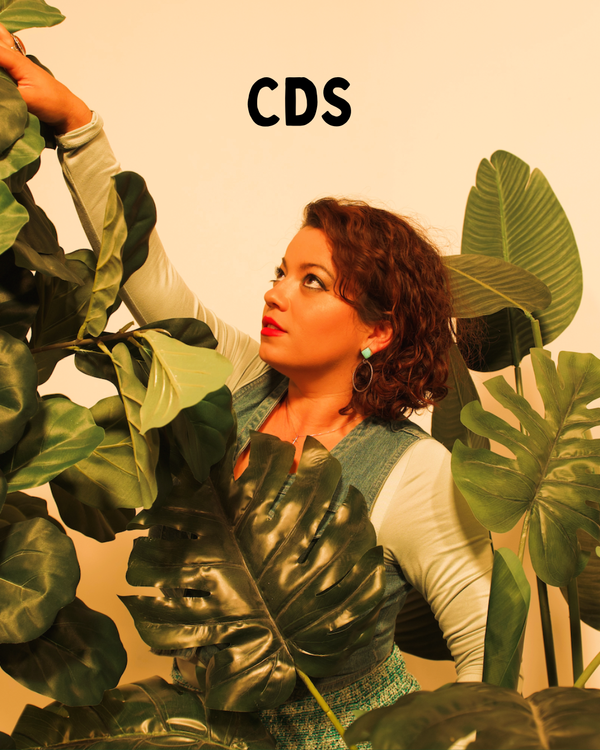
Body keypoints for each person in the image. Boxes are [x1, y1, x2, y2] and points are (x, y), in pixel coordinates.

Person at [0, 28, 493, 750]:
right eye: (280, 271)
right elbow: (145, 273)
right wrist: (77, 126)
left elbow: (486, 649)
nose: (276, 293)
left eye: (312, 282)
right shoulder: (238, 383)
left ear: (377, 330)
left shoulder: (414, 471)